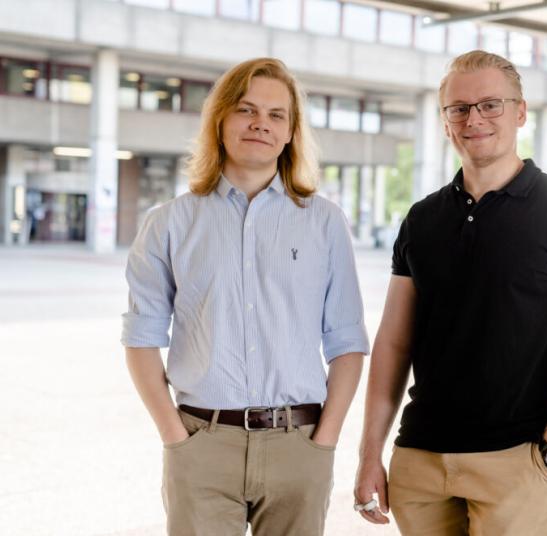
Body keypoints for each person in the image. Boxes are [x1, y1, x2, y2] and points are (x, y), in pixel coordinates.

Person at [354, 50, 547, 536]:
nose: (474, 118)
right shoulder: (422, 219)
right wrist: (370, 454)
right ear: (445, 122)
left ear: (520, 112)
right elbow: (393, 341)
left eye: (490, 105)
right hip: (421, 460)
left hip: (516, 463)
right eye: (459, 109)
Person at [122, 57, 369, 536]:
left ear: (292, 131)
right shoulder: (169, 223)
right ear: (220, 120)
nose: (261, 123)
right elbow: (141, 339)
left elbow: (347, 343)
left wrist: (324, 443)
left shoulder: (324, 222)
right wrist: (176, 438)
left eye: (277, 114)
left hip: (300, 445)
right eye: (246, 109)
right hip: (201, 445)